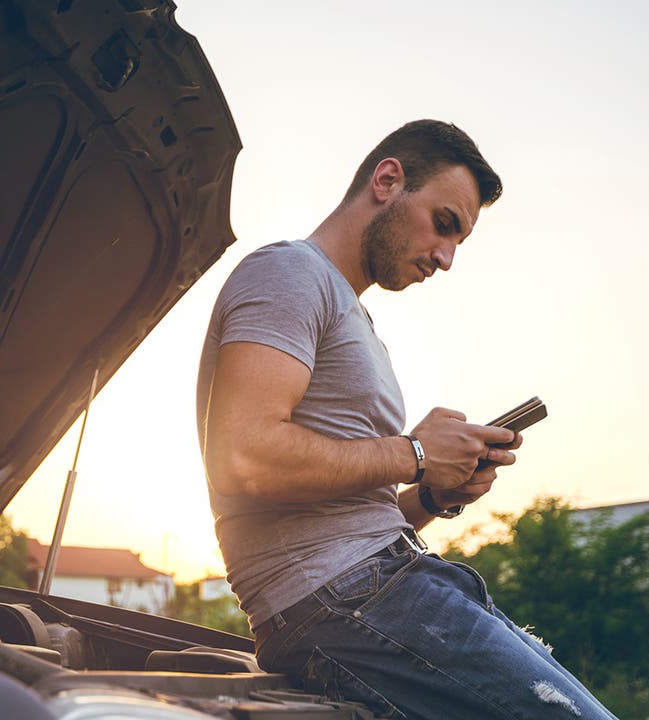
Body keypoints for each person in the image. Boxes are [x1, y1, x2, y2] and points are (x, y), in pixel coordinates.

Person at [195, 120, 617, 719]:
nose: (446, 258)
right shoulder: (289, 273)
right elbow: (243, 457)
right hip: (340, 600)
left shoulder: (355, 318)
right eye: (444, 225)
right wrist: (416, 453)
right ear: (388, 180)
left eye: (459, 243)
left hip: (381, 583)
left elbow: (352, 514)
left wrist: (434, 492)